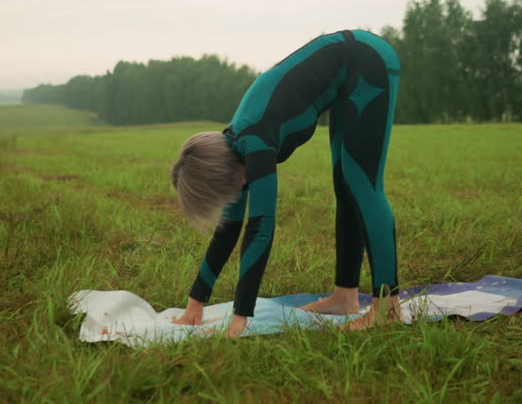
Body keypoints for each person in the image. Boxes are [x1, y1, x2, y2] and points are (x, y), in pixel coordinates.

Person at [169, 29, 403, 338]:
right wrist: (194, 304)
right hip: (347, 70)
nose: (233, 197)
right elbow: (227, 232)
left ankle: (388, 308)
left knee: (362, 187)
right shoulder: (231, 149)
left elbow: (260, 228)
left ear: (226, 176)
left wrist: (240, 319)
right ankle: (345, 297)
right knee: (345, 184)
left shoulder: (254, 144)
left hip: (367, 60)